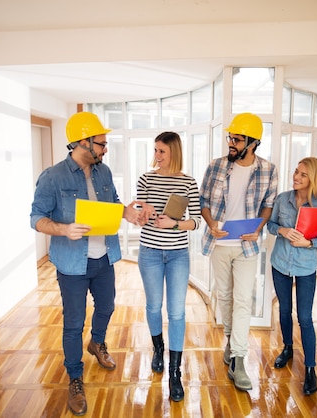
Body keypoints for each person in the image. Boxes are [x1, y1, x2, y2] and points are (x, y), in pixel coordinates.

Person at [30, 112, 150, 416]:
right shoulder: (53, 176)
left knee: (107, 307)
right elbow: (36, 219)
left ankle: (97, 343)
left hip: (104, 257)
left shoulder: (103, 172)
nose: (105, 148)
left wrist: (126, 213)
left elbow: (113, 205)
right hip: (72, 264)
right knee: (73, 322)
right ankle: (75, 378)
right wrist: (63, 229)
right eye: (101, 143)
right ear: (83, 142)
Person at [200, 113, 278, 391]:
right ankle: (231, 343)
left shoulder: (268, 170)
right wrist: (210, 224)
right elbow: (204, 201)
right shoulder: (216, 166)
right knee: (226, 298)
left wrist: (259, 227)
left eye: (237, 139)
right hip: (220, 244)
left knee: (244, 299)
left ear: (253, 143)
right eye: (230, 138)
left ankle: (239, 359)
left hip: (247, 245)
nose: (231, 143)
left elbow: (269, 204)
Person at [136, 131, 202, 402]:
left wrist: (174, 223)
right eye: (155, 150)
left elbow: (196, 221)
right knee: (153, 306)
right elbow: (139, 215)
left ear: (174, 152)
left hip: (177, 255)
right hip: (150, 252)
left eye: (162, 151)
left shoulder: (188, 183)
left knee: (176, 312)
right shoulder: (145, 179)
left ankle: (175, 372)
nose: (157, 156)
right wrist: (143, 215)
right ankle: (157, 348)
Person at [266, 157, 317, 396]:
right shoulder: (282, 199)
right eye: (296, 172)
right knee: (284, 310)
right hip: (280, 264)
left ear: (313, 178)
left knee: (305, 318)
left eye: (303, 174)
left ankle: (310, 369)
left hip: (306, 267)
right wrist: (282, 230)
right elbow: (271, 225)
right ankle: (287, 349)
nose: (296, 177)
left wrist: (309, 243)